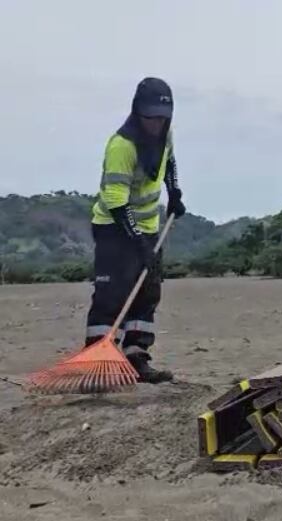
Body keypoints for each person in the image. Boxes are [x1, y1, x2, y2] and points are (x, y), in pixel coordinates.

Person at [84, 77, 187, 383]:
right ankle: (97, 358)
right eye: (150, 117)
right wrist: (138, 242)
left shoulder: (165, 134)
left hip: (149, 226)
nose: (156, 123)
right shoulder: (122, 145)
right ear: (137, 112)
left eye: (162, 117)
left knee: (147, 291)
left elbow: (169, 163)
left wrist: (175, 193)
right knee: (113, 293)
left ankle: (136, 357)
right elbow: (115, 199)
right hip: (113, 228)